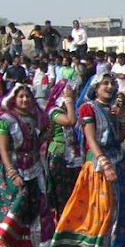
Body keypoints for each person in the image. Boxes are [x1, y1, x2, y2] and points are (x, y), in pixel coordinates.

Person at [47, 73, 125, 247]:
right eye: (104, 83)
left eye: (112, 84)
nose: (110, 87)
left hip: (117, 161)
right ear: (95, 88)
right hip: (99, 164)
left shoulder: (112, 109)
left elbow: (119, 138)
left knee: (120, 211)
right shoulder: (88, 108)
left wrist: (122, 117)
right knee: (98, 212)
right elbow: (91, 139)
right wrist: (105, 164)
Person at [0, 83, 55, 247]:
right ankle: (3, 244)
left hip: (34, 167)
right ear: (14, 99)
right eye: (21, 96)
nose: (25, 99)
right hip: (15, 168)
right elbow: (3, 150)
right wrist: (12, 173)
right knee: (15, 207)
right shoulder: (5, 120)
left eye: (27, 96)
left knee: (40, 204)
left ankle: (43, 243)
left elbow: (36, 142)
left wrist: (45, 136)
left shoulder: (34, 118)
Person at [44, 80, 83, 221]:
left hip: (74, 155)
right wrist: (68, 100)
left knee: (74, 192)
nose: (73, 94)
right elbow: (69, 121)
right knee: (62, 194)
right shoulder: (54, 111)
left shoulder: (72, 109)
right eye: (70, 91)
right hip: (60, 155)